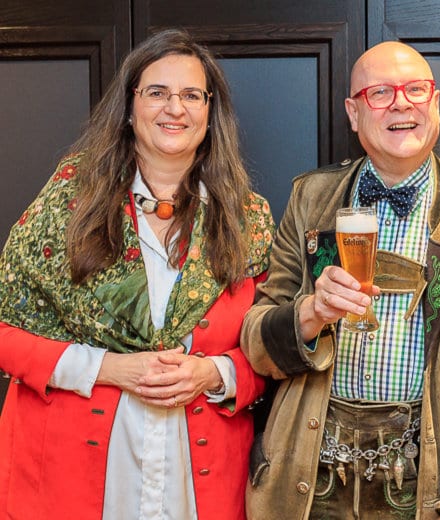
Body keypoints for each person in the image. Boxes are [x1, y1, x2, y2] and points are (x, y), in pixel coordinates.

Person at [240, 41, 440, 519]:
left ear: (435, 104)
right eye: (380, 93)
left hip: (425, 481)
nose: (401, 104)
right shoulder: (311, 198)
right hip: (311, 477)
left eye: (416, 89)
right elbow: (256, 343)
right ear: (353, 114)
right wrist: (311, 313)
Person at [0, 29, 274, 519]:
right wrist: (109, 367)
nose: (175, 108)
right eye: (157, 92)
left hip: (199, 479)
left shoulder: (248, 219)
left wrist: (214, 374)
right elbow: (7, 331)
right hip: (73, 476)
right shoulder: (71, 203)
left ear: (210, 112)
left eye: (192, 95)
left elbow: (270, 348)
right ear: (129, 107)